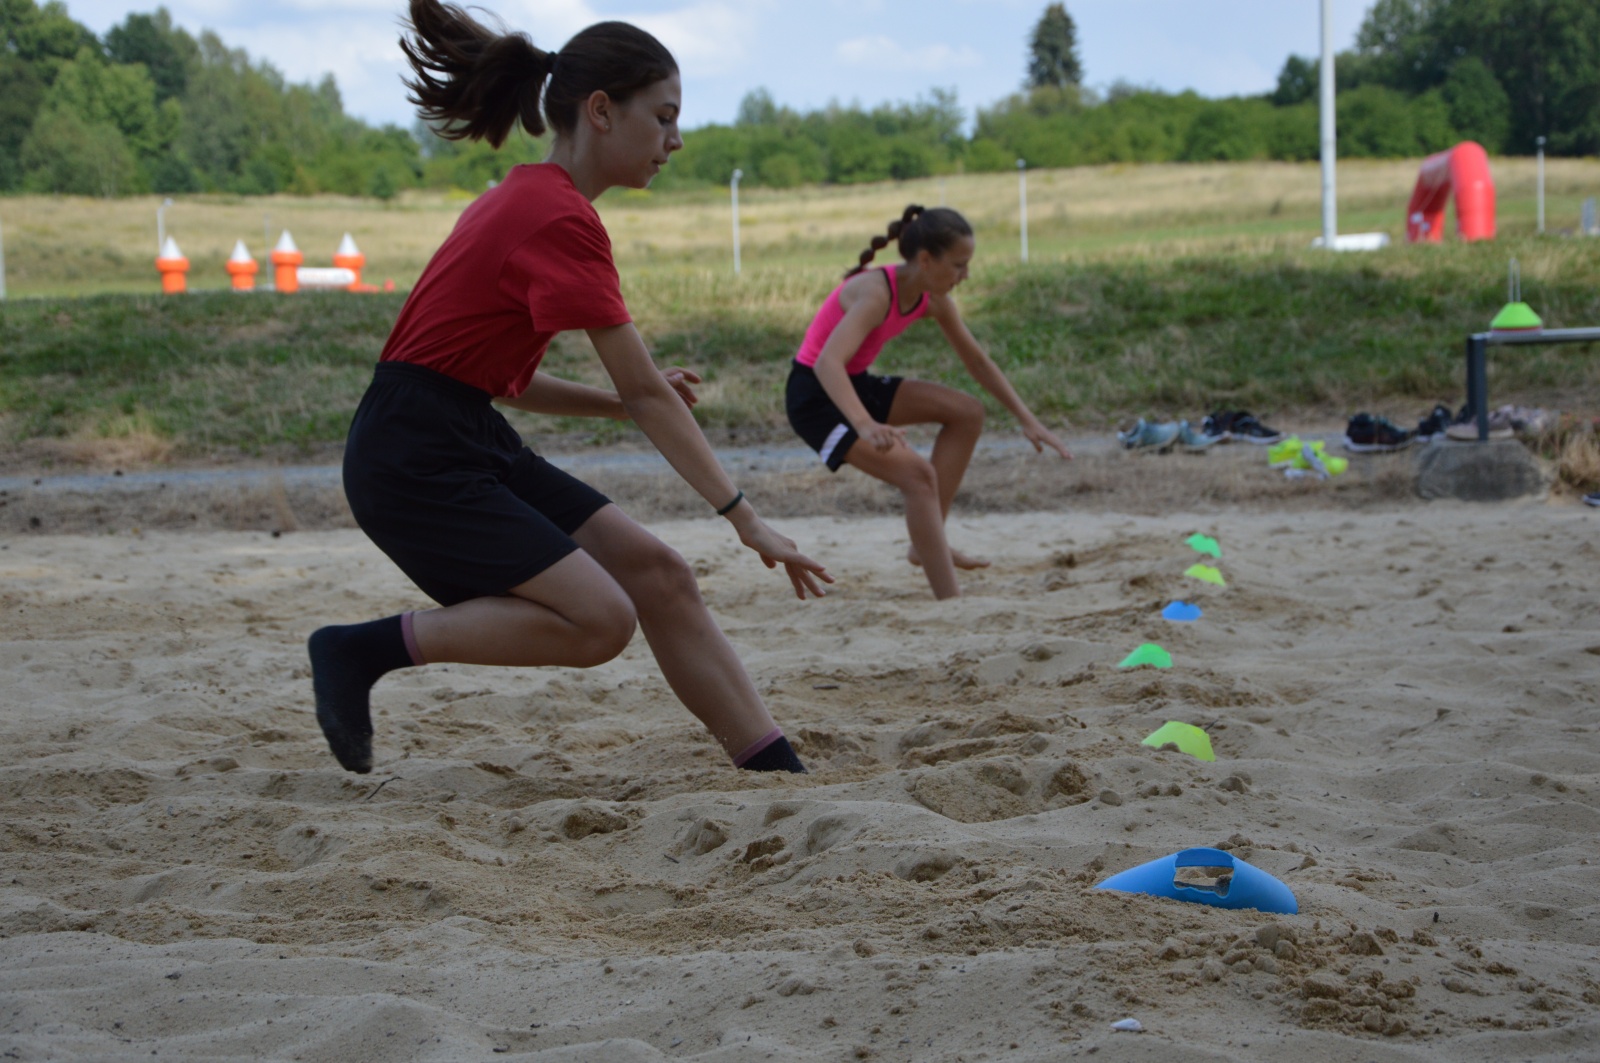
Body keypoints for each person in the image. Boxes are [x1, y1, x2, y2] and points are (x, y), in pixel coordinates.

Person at [308, 0, 831, 778]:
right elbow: (648, 393)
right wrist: (745, 520)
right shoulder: (555, 216)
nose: (676, 140)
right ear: (601, 111)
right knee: (600, 620)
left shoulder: (527, 198)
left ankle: (774, 768)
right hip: (413, 454)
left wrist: (619, 400)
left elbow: (510, 382)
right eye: (663, 117)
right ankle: (359, 649)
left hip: (452, 429)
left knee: (659, 575)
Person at [786, 205, 1071, 599]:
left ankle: (925, 543)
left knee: (967, 413)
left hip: (854, 384)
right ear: (925, 260)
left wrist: (1027, 418)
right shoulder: (875, 294)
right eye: (958, 265)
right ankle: (952, 603)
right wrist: (865, 425)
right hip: (814, 397)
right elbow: (826, 363)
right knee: (918, 477)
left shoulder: (932, 298)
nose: (965, 275)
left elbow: (977, 361)